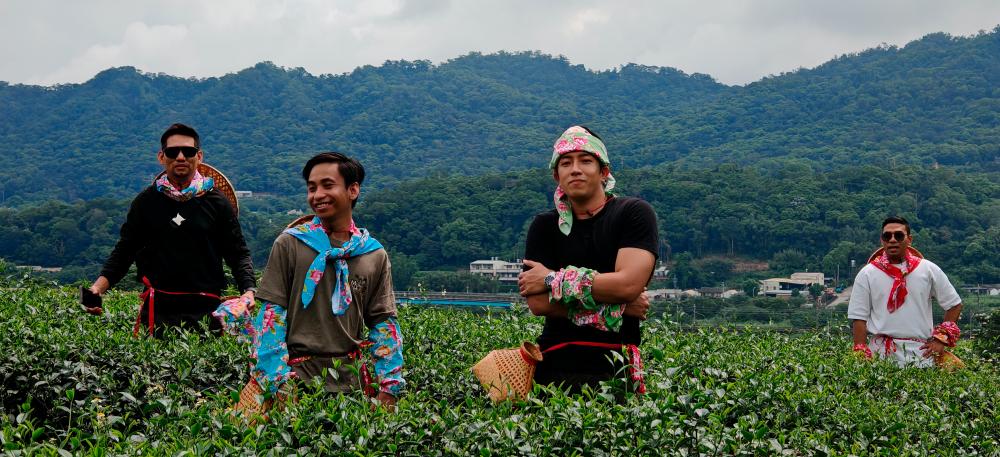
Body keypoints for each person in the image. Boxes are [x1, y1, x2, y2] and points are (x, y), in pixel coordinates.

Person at [216, 152, 403, 409]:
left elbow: (384, 323)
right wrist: (277, 381)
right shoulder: (291, 243)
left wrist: (388, 386)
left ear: (353, 190)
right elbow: (272, 317)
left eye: (328, 185)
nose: (317, 195)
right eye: (312, 188)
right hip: (294, 382)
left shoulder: (372, 253)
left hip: (351, 385)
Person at [518, 125, 658, 393]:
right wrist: (617, 308)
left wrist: (552, 278)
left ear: (604, 171)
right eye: (566, 163)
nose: (575, 169)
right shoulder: (544, 225)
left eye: (585, 160)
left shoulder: (633, 214)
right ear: (556, 175)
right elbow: (538, 303)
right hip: (553, 362)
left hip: (616, 363)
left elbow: (627, 285)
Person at [87, 123, 256, 336]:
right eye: (173, 151)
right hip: (158, 309)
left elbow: (237, 252)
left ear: (199, 156)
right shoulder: (146, 202)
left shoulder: (217, 202)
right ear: (161, 157)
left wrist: (248, 291)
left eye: (188, 151)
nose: (181, 157)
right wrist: (97, 289)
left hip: (206, 310)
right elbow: (125, 251)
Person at [847, 216, 963, 367]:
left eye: (899, 235)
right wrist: (861, 356)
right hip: (881, 357)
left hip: (922, 356)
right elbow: (858, 318)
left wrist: (940, 339)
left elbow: (954, 304)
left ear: (909, 239)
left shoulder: (928, 269)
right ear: (882, 240)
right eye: (887, 236)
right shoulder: (867, 274)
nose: (892, 240)